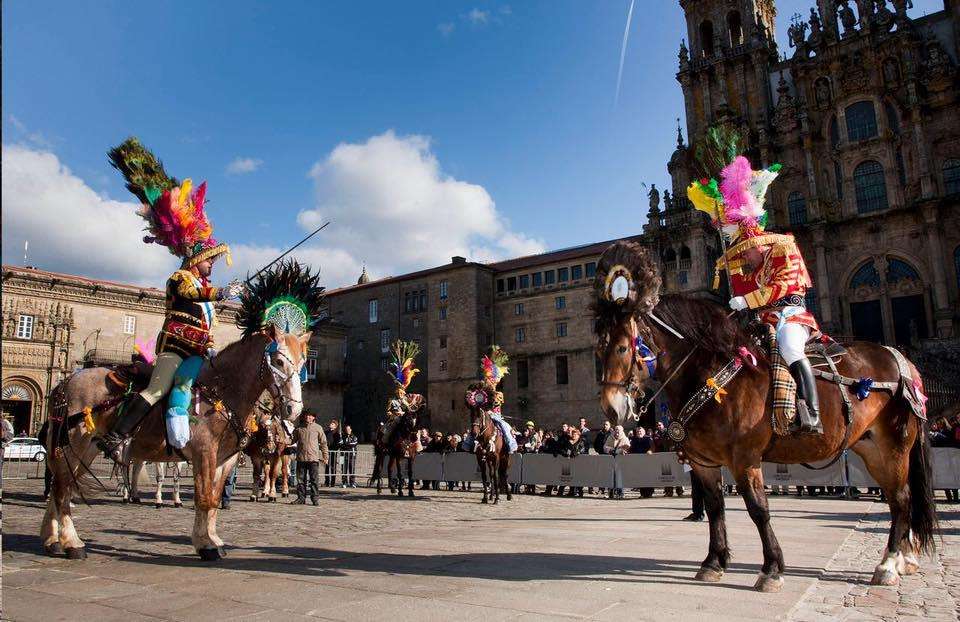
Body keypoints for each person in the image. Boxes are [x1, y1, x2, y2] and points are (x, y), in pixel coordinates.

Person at [98, 138, 243, 463]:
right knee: (157, 388)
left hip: (196, 352)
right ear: (194, 259)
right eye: (208, 260)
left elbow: (205, 317)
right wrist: (220, 293)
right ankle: (116, 435)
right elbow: (192, 294)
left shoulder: (202, 287)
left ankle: (186, 434)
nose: (212, 265)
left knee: (192, 389)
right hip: (174, 348)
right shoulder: (180, 279)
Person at [689, 150, 822, 434]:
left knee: (789, 346)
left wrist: (745, 299)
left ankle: (811, 412)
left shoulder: (784, 246)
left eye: (744, 252)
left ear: (755, 242)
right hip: (762, 320)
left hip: (791, 314)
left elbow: (783, 285)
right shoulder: (748, 263)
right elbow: (743, 292)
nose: (743, 259)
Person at [293, 411, 328, 505]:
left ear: (313, 417)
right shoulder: (299, 428)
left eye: (310, 416)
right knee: (300, 480)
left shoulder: (318, 428)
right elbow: (292, 439)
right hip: (301, 458)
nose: (308, 417)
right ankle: (301, 498)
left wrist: (325, 456)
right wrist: (282, 440)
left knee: (314, 480)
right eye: (306, 415)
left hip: (313, 458)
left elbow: (324, 443)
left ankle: (315, 498)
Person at [604, 425, 631, 499]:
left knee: (620, 477)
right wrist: (613, 450)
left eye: (619, 430)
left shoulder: (625, 439)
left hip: (621, 461)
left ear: (622, 431)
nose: (617, 431)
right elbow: (605, 447)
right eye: (616, 429)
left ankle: (620, 493)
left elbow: (627, 448)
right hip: (611, 460)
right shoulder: (610, 437)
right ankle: (611, 492)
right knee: (610, 477)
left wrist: (619, 451)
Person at [324, 421, 342, 487]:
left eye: (332, 424)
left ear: (335, 426)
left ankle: (332, 482)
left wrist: (334, 449)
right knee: (326, 467)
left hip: (333, 453)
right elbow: (324, 441)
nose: (330, 425)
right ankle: (326, 481)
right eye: (330, 423)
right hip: (327, 452)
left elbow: (338, 444)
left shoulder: (337, 434)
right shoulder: (326, 432)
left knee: (333, 468)